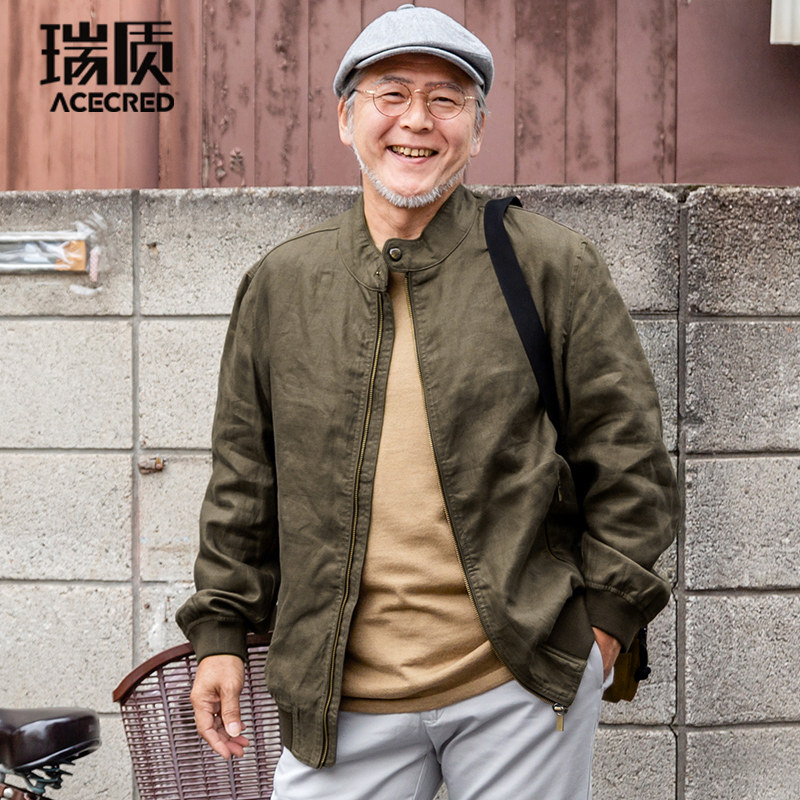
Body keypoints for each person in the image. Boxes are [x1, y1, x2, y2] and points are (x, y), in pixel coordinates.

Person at [176, 5, 680, 798]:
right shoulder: (283, 284)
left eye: (447, 100)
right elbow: (244, 477)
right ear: (345, 118)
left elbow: (631, 462)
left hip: (518, 681)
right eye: (392, 95)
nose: (417, 120)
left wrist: (602, 632)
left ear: (476, 132)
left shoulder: (551, 266)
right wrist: (219, 633)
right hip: (339, 697)